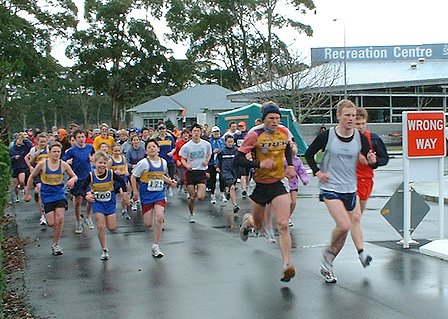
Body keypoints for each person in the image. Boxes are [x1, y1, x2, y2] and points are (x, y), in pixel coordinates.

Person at [304, 99, 377, 283]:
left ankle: (328, 263)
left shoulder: (359, 137)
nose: (351, 119)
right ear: (338, 116)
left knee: (346, 230)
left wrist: (370, 158)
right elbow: (308, 154)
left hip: (350, 188)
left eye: (353, 116)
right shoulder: (327, 136)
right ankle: (328, 252)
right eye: (347, 115)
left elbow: (370, 157)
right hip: (330, 187)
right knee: (344, 225)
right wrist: (318, 172)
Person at [234, 101, 297, 282]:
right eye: (271, 118)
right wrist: (258, 164)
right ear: (264, 119)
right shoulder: (254, 135)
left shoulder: (284, 132)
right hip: (260, 184)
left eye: (277, 118)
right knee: (259, 225)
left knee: (283, 224)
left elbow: (286, 149)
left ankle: (287, 265)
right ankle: (248, 223)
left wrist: (290, 165)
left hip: (277, 183)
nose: (275, 121)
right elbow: (237, 160)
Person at [24, 142, 78, 256]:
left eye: (58, 152)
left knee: (60, 218)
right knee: (51, 223)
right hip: (47, 194)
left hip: (59, 193)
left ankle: (56, 244)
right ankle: (45, 213)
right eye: (54, 151)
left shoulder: (63, 165)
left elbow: (74, 176)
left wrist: (72, 180)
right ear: (49, 153)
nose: (56, 154)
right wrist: (27, 193)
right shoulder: (43, 164)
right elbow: (32, 177)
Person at [353, 107, 389, 259]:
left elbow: (384, 159)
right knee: (353, 217)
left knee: (357, 217)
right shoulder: (343, 138)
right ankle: (360, 251)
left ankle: (352, 238)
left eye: (363, 123)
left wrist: (372, 161)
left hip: (366, 181)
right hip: (349, 181)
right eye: (357, 124)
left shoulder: (373, 138)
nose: (360, 127)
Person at [131, 139, 177, 258]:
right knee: (147, 224)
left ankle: (155, 246)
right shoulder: (143, 163)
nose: (152, 149)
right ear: (146, 150)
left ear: (158, 149)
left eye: (154, 147)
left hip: (159, 194)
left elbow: (161, 175)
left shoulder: (163, 162)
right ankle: (152, 222)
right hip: (146, 195)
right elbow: (133, 177)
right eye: (149, 147)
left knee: (159, 217)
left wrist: (169, 181)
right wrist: (135, 192)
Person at [84, 151, 129, 260]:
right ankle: (104, 249)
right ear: (94, 163)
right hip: (98, 203)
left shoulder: (111, 173)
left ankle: (106, 243)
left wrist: (125, 193)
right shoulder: (91, 175)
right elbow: (82, 187)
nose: (102, 165)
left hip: (110, 202)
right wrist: (86, 195)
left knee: (112, 227)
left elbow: (122, 182)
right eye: (100, 163)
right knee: (100, 225)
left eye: (104, 163)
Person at [62, 129, 95, 234]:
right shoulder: (71, 151)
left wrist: (92, 159)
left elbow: (94, 156)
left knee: (90, 199)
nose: (81, 139)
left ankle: (88, 216)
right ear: (75, 140)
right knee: (78, 202)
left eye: (83, 137)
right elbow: (63, 161)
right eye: (79, 137)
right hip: (77, 178)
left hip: (87, 178)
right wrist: (68, 161)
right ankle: (78, 221)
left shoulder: (90, 147)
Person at [179, 123, 212, 223]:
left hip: (201, 171)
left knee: (201, 197)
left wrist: (207, 160)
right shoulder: (187, 146)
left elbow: (209, 154)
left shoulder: (206, 144)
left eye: (198, 131)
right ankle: (191, 213)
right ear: (191, 133)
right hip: (191, 172)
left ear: (201, 132)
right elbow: (182, 159)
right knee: (192, 197)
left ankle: (197, 191)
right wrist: (186, 165)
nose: (196, 133)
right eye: (194, 131)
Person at [25, 133, 49, 225]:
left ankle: (49, 210)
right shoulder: (33, 149)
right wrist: (36, 155)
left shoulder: (48, 149)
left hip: (48, 174)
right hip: (38, 174)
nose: (43, 143)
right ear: (37, 141)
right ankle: (42, 215)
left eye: (44, 141)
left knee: (47, 193)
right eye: (41, 142)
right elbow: (30, 161)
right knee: (40, 192)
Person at [285, 142, 310, 227]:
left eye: (294, 146)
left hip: (294, 184)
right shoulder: (282, 159)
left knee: (293, 202)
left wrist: (304, 179)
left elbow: (301, 170)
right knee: (287, 202)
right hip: (284, 184)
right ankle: (283, 217)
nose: (293, 148)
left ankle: (287, 217)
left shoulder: (297, 160)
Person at [216, 135, 240, 213]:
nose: (230, 143)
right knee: (232, 187)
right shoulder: (222, 151)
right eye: (228, 142)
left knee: (231, 187)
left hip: (235, 171)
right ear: (225, 142)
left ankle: (228, 193)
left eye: (231, 142)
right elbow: (218, 161)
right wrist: (217, 167)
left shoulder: (236, 151)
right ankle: (235, 205)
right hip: (226, 171)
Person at [108, 144, 131, 220]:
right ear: (112, 151)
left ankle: (124, 210)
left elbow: (125, 165)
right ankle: (111, 211)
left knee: (124, 193)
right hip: (114, 180)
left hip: (123, 179)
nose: (117, 153)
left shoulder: (123, 158)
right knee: (112, 197)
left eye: (118, 151)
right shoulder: (111, 160)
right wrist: (114, 171)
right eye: (115, 151)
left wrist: (126, 171)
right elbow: (107, 170)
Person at [153, 123, 176, 197]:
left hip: (169, 160)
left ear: (166, 129)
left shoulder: (170, 138)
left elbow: (174, 147)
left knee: (171, 176)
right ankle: (163, 192)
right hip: (160, 161)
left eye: (163, 129)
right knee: (162, 176)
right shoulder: (156, 139)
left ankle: (169, 187)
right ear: (158, 130)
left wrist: (172, 152)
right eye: (160, 129)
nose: (162, 130)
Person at [125, 135, 146, 211]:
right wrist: (132, 166)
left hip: (142, 171)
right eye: (134, 140)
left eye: (137, 140)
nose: (136, 141)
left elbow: (146, 159)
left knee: (142, 188)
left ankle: (143, 204)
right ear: (132, 142)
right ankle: (133, 202)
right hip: (133, 171)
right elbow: (126, 162)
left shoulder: (143, 150)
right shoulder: (129, 151)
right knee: (134, 188)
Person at [10, 132, 32, 203]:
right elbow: (9, 158)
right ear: (16, 140)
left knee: (22, 181)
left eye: (21, 140)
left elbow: (30, 145)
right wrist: (14, 157)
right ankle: (17, 196)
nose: (20, 141)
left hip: (22, 167)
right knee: (15, 185)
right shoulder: (12, 148)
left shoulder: (24, 147)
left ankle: (22, 189)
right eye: (18, 140)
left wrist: (25, 138)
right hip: (15, 168)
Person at [207, 126, 226, 204]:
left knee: (222, 178)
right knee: (212, 179)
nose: (216, 133)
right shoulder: (209, 142)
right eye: (215, 132)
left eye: (217, 132)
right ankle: (212, 194)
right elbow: (206, 151)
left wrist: (220, 151)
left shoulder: (222, 140)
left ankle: (222, 193)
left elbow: (225, 149)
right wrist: (212, 151)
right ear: (212, 133)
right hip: (211, 162)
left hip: (221, 162)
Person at [234, 121, 250, 198]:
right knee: (242, 173)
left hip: (247, 155)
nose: (241, 128)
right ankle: (243, 189)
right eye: (239, 126)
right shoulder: (236, 135)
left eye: (242, 126)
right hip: (240, 156)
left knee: (247, 174)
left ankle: (247, 186)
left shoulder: (248, 134)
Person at [172, 129, 190, 196]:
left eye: (187, 133)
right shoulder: (178, 143)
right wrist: (177, 160)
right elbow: (175, 153)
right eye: (184, 133)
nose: (185, 135)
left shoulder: (190, 143)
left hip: (188, 163)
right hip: (180, 163)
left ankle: (187, 189)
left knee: (188, 178)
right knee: (182, 178)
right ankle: (180, 184)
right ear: (182, 135)